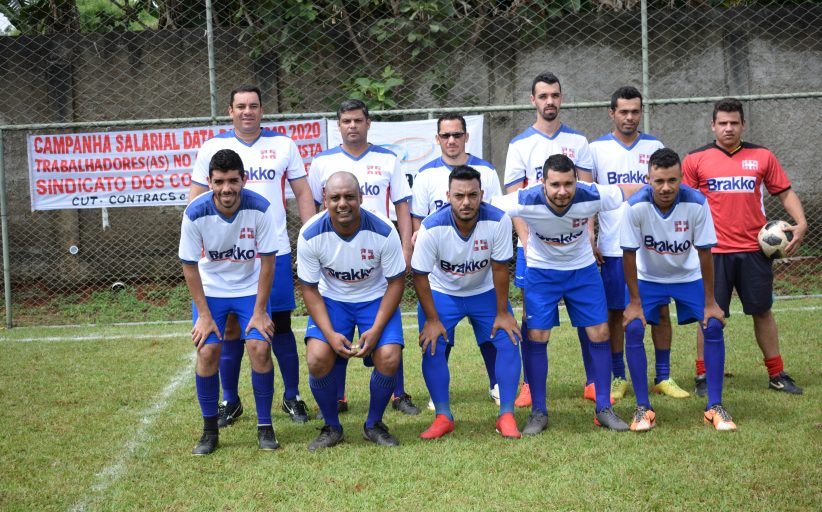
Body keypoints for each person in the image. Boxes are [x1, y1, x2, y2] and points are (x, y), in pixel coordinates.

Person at [189, 85, 316, 427]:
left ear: (262, 110)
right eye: (241, 106)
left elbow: (303, 193)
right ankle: (230, 400)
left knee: (279, 325)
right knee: (230, 328)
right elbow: (196, 198)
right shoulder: (212, 148)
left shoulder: (284, 145)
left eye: (254, 105)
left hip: (272, 253)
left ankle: (292, 396)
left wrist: (309, 239)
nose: (247, 111)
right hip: (227, 256)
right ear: (230, 111)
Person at [493, 154, 642, 433]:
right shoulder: (525, 199)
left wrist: (666, 190)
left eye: (568, 184)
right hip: (542, 272)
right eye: (555, 185)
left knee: (600, 332)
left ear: (576, 181)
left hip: (582, 271)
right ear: (543, 183)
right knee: (537, 335)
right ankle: (538, 411)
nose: (562, 191)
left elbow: (630, 190)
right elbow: (485, 206)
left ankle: (603, 408)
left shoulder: (591, 194)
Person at [682, 98, 807, 395]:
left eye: (734, 123)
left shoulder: (762, 156)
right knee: (710, 315)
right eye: (723, 123)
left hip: (755, 250)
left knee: (762, 311)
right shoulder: (695, 159)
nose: (728, 128)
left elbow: (784, 192)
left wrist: (801, 222)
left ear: (743, 125)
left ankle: (777, 374)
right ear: (713, 125)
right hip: (713, 252)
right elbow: (684, 203)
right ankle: (703, 376)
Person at [307, 99, 419, 416]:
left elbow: (401, 205)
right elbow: (314, 208)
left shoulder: (388, 159)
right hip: (338, 255)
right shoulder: (322, 161)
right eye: (346, 121)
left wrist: (406, 248)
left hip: (378, 254)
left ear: (368, 123)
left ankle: (398, 393)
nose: (352, 126)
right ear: (338, 126)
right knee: (337, 327)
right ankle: (337, 397)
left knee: (387, 332)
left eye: (358, 120)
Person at [621, 148, 736, 431]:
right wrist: (634, 302)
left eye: (672, 180)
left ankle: (715, 406)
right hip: (649, 278)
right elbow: (628, 254)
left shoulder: (697, 202)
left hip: (688, 276)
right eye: (659, 181)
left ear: (681, 178)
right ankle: (642, 408)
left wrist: (710, 301)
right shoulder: (634, 206)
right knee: (633, 327)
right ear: (648, 179)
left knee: (713, 324)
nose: (665, 187)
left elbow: (705, 252)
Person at [502, 72, 594, 408]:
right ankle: (530, 384)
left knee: (588, 316)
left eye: (554, 95)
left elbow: (589, 195)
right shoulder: (519, 145)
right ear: (533, 101)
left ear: (561, 98)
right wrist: (526, 242)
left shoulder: (579, 142)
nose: (549, 101)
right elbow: (514, 200)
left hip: (576, 248)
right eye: (543, 96)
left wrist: (590, 236)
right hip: (536, 247)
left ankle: (593, 381)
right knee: (534, 318)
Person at [590, 86, 687, 401]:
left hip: (652, 248)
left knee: (660, 311)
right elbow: (589, 197)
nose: (629, 117)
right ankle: (619, 377)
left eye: (635, 111)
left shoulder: (654, 146)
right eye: (623, 111)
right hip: (614, 247)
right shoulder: (596, 149)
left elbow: (666, 195)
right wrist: (590, 234)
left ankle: (663, 376)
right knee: (617, 313)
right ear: (612, 113)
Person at [180, 149, 280, 455]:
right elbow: (189, 265)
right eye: (220, 181)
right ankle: (209, 431)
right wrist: (204, 315)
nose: (227, 188)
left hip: (249, 287)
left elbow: (268, 262)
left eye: (233, 181)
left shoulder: (261, 208)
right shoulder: (195, 212)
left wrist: (260, 311)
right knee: (207, 350)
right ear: (209, 182)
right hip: (212, 289)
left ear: (243, 180)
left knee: (260, 347)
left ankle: (265, 426)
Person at [298, 172, 407, 451]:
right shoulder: (310, 234)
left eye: (349, 196)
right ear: (325, 200)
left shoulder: (384, 230)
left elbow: (397, 282)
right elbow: (309, 288)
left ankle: (374, 424)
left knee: (389, 356)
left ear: (361, 198)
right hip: (332, 300)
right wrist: (329, 333)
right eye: (335, 197)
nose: (342, 203)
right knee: (317, 358)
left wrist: (377, 329)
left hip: (375, 298)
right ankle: (331, 427)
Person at [412, 166, 521, 439]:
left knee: (508, 339)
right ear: (448, 196)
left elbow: (500, 268)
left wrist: (502, 312)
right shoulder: (431, 227)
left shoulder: (498, 220)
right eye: (459, 196)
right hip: (442, 292)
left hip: (483, 290)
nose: (466, 202)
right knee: (432, 345)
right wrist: (433, 320)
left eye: (472, 195)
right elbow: (419, 275)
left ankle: (506, 415)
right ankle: (443, 416)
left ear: (482, 194)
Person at [411, 113, 503, 406]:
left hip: (479, 272)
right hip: (442, 274)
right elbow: (418, 222)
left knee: (491, 333)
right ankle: (438, 392)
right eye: (445, 135)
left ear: (466, 136)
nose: (451, 140)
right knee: (439, 333)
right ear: (437, 139)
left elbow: (496, 217)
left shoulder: (486, 171)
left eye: (457, 135)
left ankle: (497, 383)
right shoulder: (425, 174)